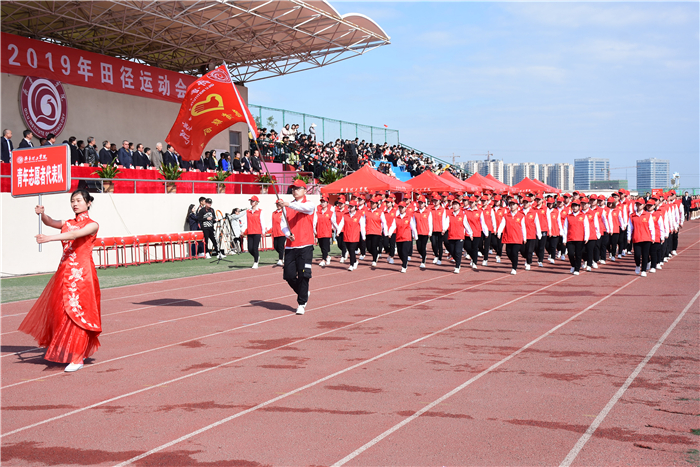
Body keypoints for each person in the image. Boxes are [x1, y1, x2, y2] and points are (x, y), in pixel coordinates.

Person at [18, 189, 101, 372]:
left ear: (88, 203)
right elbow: (50, 222)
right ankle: (72, 350)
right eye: (73, 201)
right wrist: (42, 214)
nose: (75, 204)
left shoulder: (92, 225)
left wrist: (49, 238)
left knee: (78, 313)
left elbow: (74, 235)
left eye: (79, 200)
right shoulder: (67, 223)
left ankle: (78, 357)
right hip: (64, 272)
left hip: (82, 275)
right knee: (62, 312)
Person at [277, 179, 316, 315]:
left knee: (304, 274)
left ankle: (301, 303)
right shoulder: (287, 207)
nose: (295, 191)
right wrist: (288, 234)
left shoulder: (309, 204)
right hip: (291, 246)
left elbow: (302, 208)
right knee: (288, 275)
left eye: (298, 188)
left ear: (305, 190)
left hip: (305, 245)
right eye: (293, 189)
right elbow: (283, 225)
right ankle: (303, 292)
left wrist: (287, 204)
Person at [497, 199, 527, 275]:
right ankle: (514, 262)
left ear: (517, 205)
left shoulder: (521, 216)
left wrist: (524, 237)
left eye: (514, 204)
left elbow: (523, 227)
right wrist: (499, 232)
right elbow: (502, 224)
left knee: (514, 252)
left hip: (517, 238)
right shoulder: (506, 215)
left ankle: (514, 268)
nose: (512, 206)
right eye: (511, 204)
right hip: (508, 237)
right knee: (508, 252)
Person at [443, 198, 472, 274]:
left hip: (459, 236)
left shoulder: (462, 215)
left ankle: (457, 266)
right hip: (451, 236)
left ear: (459, 206)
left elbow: (466, 225)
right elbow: (446, 223)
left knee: (458, 251)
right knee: (452, 251)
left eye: (456, 204)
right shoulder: (450, 215)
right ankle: (458, 262)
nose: (455, 206)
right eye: (453, 204)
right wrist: (444, 229)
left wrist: (470, 233)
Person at [388, 201, 418, 273]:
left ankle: (404, 266)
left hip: (406, 238)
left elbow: (413, 227)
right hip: (399, 238)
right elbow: (393, 226)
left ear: (405, 208)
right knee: (400, 253)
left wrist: (415, 235)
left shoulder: (409, 217)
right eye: (400, 208)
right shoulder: (396, 218)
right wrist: (390, 233)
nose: (401, 209)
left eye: (402, 208)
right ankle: (405, 261)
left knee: (404, 252)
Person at [628, 199, 654, 277]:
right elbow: (630, 227)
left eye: (640, 204)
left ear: (644, 205)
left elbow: (651, 227)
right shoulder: (632, 215)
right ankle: (637, 265)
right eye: (637, 204)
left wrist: (652, 237)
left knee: (645, 255)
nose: (638, 206)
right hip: (636, 237)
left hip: (646, 238)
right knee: (637, 254)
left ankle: (643, 270)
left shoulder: (648, 215)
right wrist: (628, 237)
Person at [562, 199, 589, 275]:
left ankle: (577, 269)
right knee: (570, 254)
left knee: (578, 254)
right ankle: (573, 265)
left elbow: (586, 227)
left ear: (579, 207)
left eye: (576, 206)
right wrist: (564, 239)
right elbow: (565, 228)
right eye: (573, 206)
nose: (574, 207)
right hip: (570, 238)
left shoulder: (583, 216)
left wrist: (586, 237)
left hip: (580, 238)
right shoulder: (568, 216)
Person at [337, 200, 365, 271]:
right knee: (350, 250)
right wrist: (338, 231)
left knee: (352, 249)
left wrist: (363, 236)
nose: (350, 208)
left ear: (355, 207)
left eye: (352, 206)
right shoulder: (345, 215)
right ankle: (355, 261)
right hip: (347, 236)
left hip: (355, 236)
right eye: (350, 206)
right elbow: (341, 223)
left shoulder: (359, 216)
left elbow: (362, 226)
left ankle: (351, 264)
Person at [245, 195, 266, 268]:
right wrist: (243, 230)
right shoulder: (248, 211)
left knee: (255, 248)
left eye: (253, 201)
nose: (252, 202)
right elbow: (245, 221)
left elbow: (262, 221)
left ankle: (256, 262)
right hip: (250, 231)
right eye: (251, 201)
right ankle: (257, 256)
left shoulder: (260, 211)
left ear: (257, 202)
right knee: (250, 248)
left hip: (257, 232)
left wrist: (263, 231)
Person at [412, 196, 432, 269]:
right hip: (418, 232)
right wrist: (414, 233)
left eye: (422, 203)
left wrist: (430, 232)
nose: (420, 204)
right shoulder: (415, 213)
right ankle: (423, 255)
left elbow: (430, 222)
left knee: (423, 247)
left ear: (424, 203)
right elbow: (413, 223)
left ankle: (423, 261)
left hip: (425, 232)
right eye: (419, 203)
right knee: (418, 247)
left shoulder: (428, 212)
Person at [314, 196, 334, 267]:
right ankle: (327, 256)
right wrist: (314, 230)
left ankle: (323, 259)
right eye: (321, 202)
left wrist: (336, 229)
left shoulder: (331, 212)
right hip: (319, 231)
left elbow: (334, 222)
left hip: (327, 232)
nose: (322, 203)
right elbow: (314, 222)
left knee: (325, 246)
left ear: (327, 203)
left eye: (324, 202)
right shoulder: (317, 213)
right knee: (321, 246)